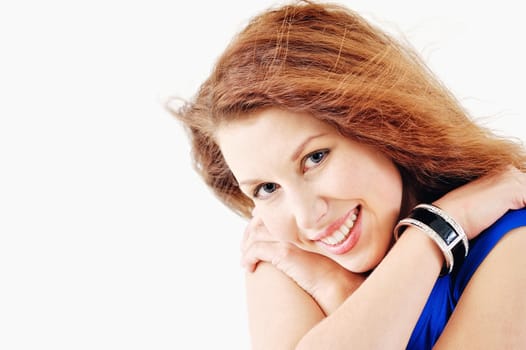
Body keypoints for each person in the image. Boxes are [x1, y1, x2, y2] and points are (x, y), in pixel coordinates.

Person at [169, 1, 526, 348]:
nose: (308, 217)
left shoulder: (513, 240)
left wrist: (431, 236)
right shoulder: (286, 251)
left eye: (315, 158)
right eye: (266, 188)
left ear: (384, 124)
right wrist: (438, 229)